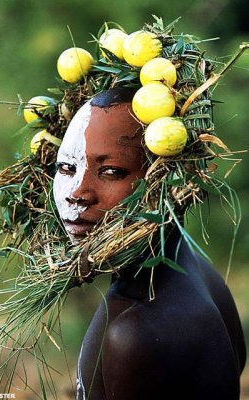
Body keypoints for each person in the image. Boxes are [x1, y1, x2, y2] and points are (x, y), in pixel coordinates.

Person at [53, 88, 246, 400]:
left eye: (111, 171)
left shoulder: (136, 332)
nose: (76, 193)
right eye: (67, 168)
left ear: (161, 181)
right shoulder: (194, 266)